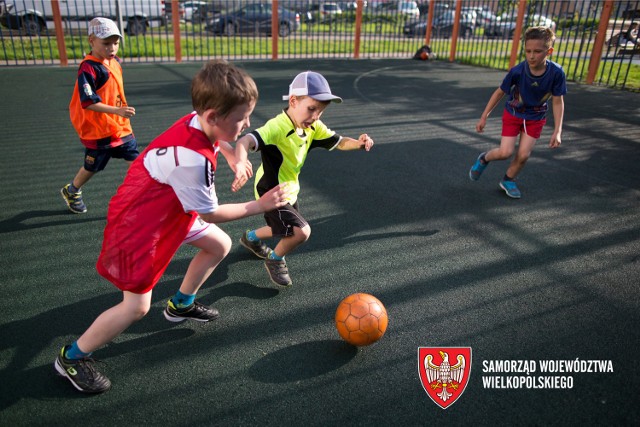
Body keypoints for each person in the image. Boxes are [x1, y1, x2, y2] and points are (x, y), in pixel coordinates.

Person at [54, 60, 289, 393]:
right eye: (241, 118)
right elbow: (210, 213)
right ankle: (71, 357)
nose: (248, 123)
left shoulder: (198, 120)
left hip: (169, 208)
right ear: (213, 116)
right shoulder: (192, 161)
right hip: (141, 223)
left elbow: (217, 144)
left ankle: (181, 303)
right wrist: (259, 206)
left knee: (218, 245)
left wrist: (235, 156)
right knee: (136, 307)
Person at [232, 71, 374, 287]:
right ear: (293, 101)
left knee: (285, 229)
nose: (316, 116)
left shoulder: (313, 127)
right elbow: (245, 141)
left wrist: (359, 142)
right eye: (311, 108)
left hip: (289, 189)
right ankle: (275, 259)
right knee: (301, 232)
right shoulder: (277, 126)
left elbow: (339, 142)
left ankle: (250, 238)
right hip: (271, 190)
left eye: (321, 111)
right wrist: (241, 162)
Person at [468, 26, 566, 199]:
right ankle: (484, 158)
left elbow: (558, 101)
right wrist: (484, 116)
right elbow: (499, 93)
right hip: (514, 113)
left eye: (537, 51)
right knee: (505, 152)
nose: (531, 56)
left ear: (549, 51)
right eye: (528, 51)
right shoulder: (518, 71)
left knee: (523, 155)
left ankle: (508, 179)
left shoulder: (557, 73)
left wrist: (557, 131)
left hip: (535, 117)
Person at [61, 17, 138, 214]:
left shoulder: (114, 61)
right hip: (98, 129)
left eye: (116, 42)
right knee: (92, 167)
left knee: (136, 163)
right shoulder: (89, 68)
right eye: (106, 43)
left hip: (119, 126)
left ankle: (138, 196)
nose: (112, 48)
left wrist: (119, 113)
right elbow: (88, 102)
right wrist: (117, 110)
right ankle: (72, 190)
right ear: (91, 41)